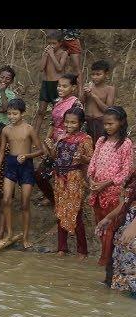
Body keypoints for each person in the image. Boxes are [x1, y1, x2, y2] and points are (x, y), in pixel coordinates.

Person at [88, 106, 134, 285]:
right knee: (101, 228)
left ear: (121, 122)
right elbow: (93, 163)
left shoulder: (126, 144)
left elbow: (126, 171)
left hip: (113, 194)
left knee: (111, 230)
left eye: (110, 124)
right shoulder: (100, 141)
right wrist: (92, 180)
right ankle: (107, 268)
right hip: (97, 193)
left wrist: (105, 183)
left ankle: (109, 268)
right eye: (104, 124)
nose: (106, 127)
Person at [0, 98, 43, 248]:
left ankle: (25, 237)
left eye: (15, 114)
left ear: (22, 113)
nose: (12, 117)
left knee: (25, 203)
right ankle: (9, 234)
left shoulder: (29, 129)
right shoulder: (6, 130)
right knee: (6, 199)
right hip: (11, 165)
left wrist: (27, 156)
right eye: (9, 114)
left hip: (26, 165)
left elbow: (40, 150)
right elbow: (1, 152)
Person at [43, 107, 93, 258]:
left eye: (73, 123)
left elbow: (91, 159)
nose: (69, 125)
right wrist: (50, 147)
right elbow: (55, 157)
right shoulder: (60, 137)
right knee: (60, 211)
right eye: (67, 122)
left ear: (81, 123)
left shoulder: (86, 139)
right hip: (59, 177)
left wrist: (82, 158)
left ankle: (82, 250)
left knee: (75, 212)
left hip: (74, 177)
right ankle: (62, 248)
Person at [34, 73, 83, 206]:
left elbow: (78, 127)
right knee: (39, 176)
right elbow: (53, 123)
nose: (60, 88)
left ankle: (65, 206)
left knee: (63, 178)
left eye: (64, 86)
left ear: (73, 87)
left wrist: (61, 142)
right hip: (54, 144)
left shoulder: (75, 103)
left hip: (68, 147)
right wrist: (47, 139)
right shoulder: (57, 101)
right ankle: (54, 200)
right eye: (59, 85)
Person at [96, 170, 136, 294]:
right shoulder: (133, 175)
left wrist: (133, 226)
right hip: (125, 224)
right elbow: (124, 203)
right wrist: (108, 218)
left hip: (132, 229)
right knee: (120, 274)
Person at [33, 30, 68, 137]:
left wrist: (52, 55)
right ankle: (35, 134)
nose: (51, 46)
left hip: (57, 85)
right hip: (46, 84)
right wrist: (45, 55)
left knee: (56, 111)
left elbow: (59, 68)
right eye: (49, 43)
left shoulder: (63, 53)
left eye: (54, 43)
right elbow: (40, 68)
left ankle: (54, 135)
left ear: (60, 43)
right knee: (41, 110)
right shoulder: (47, 53)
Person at [81, 60, 116, 146]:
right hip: (87, 120)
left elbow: (108, 110)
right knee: (86, 146)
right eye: (93, 74)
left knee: (100, 145)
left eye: (98, 74)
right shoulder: (89, 86)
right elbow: (81, 103)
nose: (95, 77)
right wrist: (84, 93)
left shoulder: (110, 89)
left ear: (106, 74)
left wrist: (94, 96)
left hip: (100, 122)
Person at [61, 29, 83, 98]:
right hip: (60, 39)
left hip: (72, 38)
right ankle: (65, 92)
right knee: (64, 68)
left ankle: (80, 92)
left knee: (77, 68)